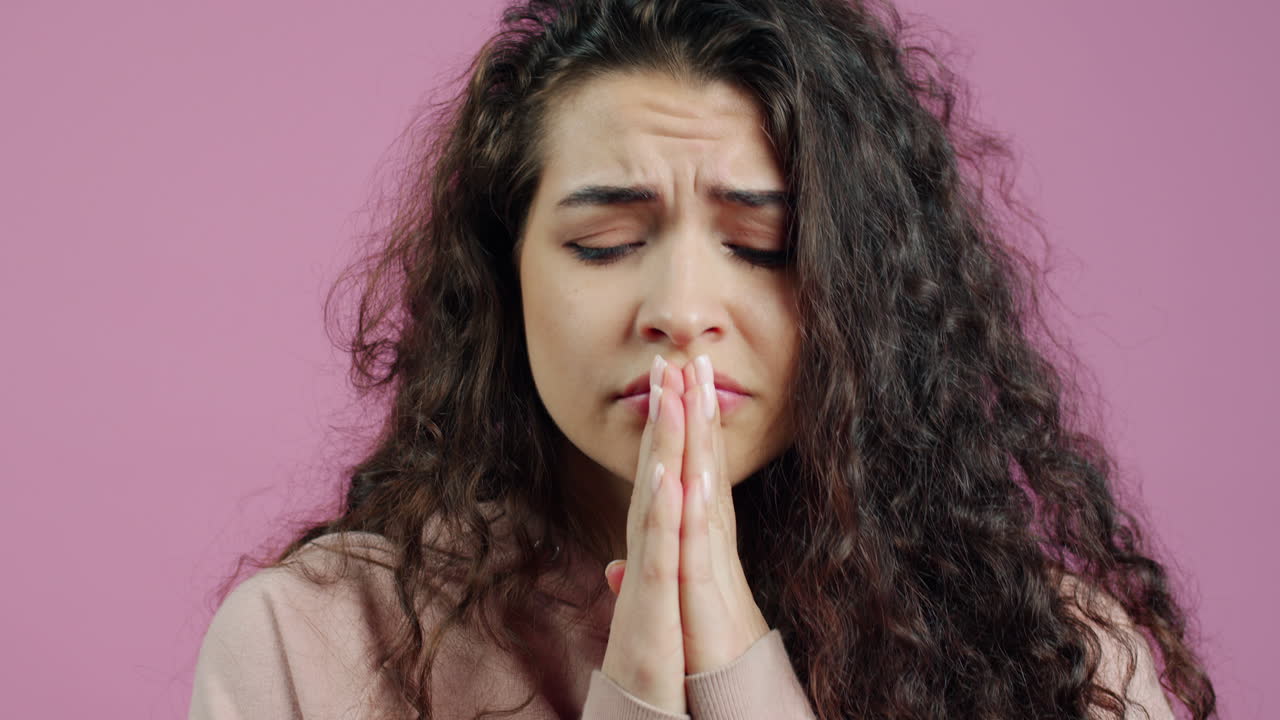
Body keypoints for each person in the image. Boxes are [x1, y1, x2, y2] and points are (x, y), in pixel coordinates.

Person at [189, 0, 1217, 718]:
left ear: (864, 295)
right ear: (504, 279)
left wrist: (734, 672)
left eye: (763, 247)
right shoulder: (311, 645)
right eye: (604, 243)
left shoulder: (1053, 654)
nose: (681, 311)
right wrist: (638, 688)